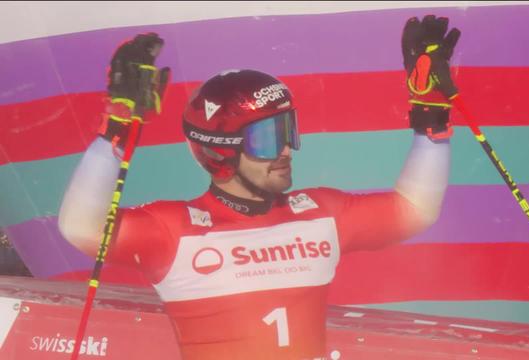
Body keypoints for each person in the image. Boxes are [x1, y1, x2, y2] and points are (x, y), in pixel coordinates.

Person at [58, 15, 460, 360]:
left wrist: (431, 119)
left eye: (289, 131)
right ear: (221, 151)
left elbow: (415, 210)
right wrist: (117, 125)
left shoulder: (322, 212)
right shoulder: (173, 230)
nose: (286, 149)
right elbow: (80, 227)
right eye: (268, 138)